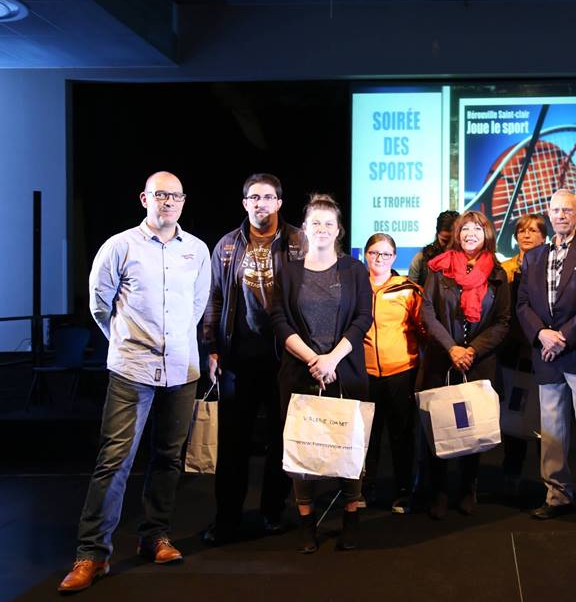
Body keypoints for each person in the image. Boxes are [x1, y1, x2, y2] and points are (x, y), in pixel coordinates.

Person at [59, 172, 211, 593]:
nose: (168, 202)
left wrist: (172, 343)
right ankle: (92, 555)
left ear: (183, 201)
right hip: (132, 369)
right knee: (115, 460)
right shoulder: (119, 246)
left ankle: (154, 536)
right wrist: (126, 343)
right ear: (145, 198)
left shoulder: (197, 250)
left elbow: (197, 305)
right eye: (160, 195)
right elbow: (98, 306)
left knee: (168, 459)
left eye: (175, 196)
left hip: (181, 369)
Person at [202, 173, 304, 544]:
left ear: (279, 202)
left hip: (285, 358)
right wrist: (212, 347)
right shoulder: (228, 245)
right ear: (245, 203)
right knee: (233, 444)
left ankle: (272, 513)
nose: (260, 203)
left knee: (281, 439)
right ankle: (226, 519)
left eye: (268, 197)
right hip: (238, 359)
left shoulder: (299, 242)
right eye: (253, 197)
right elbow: (213, 299)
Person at [269, 193, 373, 552]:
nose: (323, 229)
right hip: (300, 374)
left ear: (339, 229)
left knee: (349, 448)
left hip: (346, 371)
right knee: (302, 451)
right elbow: (279, 321)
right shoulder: (289, 272)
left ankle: (351, 520)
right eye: (316, 223)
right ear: (305, 229)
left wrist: (332, 360)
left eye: (329, 223)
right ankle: (306, 525)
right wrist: (314, 358)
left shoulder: (354, 270)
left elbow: (363, 319)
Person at [517, 190, 576, 525]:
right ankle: (556, 494)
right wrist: (542, 334)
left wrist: (564, 337)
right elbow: (523, 305)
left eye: (567, 210)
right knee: (553, 430)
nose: (560, 215)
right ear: (548, 213)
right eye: (555, 210)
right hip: (546, 354)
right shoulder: (533, 257)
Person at [419, 210, 511, 519]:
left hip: (479, 361)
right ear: (457, 234)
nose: (471, 233)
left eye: (477, 228)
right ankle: (439, 491)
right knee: (440, 424)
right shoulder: (439, 268)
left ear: (487, 234)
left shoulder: (498, 273)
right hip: (442, 359)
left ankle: (468, 488)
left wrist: (471, 350)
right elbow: (428, 312)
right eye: (465, 228)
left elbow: (502, 321)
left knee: (472, 427)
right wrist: (452, 348)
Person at [361, 232, 423, 514]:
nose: (380, 259)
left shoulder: (408, 289)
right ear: (365, 254)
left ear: (395, 258)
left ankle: (403, 491)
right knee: (366, 437)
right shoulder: (355, 286)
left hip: (401, 372)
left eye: (386, 254)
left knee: (401, 435)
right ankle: (364, 489)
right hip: (364, 374)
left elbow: (423, 329)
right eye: (374, 253)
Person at [498, 213, 548, 498]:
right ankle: (510, 475)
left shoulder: (551, 266)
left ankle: (548, 481)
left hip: (543, 351)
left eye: (533, 231)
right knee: (514, 416)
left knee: (548, 421)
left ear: (544, 236)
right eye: (521, 231)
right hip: (513, 353)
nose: (526, 235)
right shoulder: (503, 269)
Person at [407, 210, 459, 286]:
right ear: (437, 235)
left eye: (453, 241)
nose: (449, 246)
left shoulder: (468, 259)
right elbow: (411, 292)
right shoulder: (421, 258)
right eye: (445, 241)